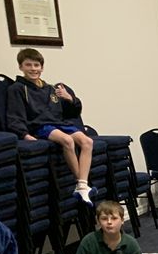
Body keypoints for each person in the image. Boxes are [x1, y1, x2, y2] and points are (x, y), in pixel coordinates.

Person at [5, 47, 94, 203]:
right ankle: (81, 185)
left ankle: (82, 184)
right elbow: (14, 116)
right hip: (40, 126)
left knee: (87, 141)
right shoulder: (17, 89)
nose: (33, 69)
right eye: (28, 65)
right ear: (21, 67)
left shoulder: (51, 89)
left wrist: (69, 99)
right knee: (68, 141)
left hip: (59, 124)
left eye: (36, 65)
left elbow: (72, 112)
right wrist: (25, 135)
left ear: (42, 67)